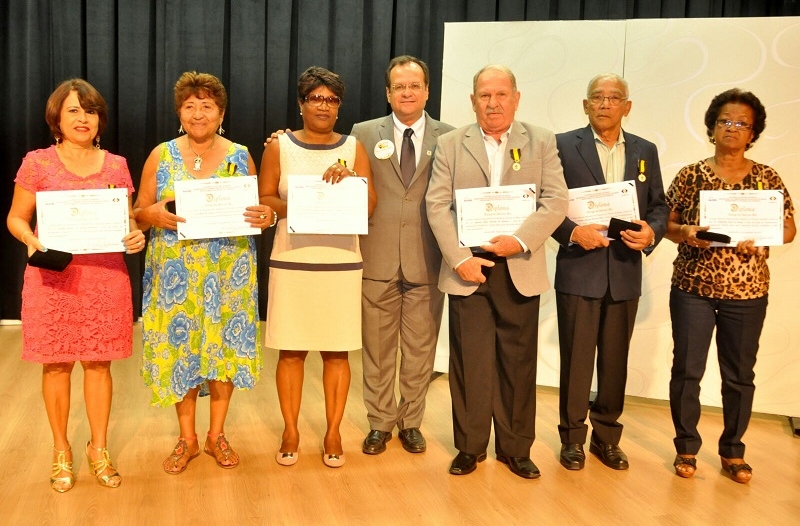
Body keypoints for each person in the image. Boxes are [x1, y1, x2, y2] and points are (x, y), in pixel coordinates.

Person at [426, 65, 568, 479]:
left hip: (519, 265)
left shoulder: (540, 140)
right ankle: (470, 447)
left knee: (518, 362)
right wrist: (459, 259)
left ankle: (515, 448)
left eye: (501, 94)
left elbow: (555, 200)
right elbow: (437, 205)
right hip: (469, 268)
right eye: (485, 95)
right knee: (470, 363)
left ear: (516, 98)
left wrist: (520, 241)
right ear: (473, 101)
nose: (493, 103)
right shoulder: (452, 143)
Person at [6, 79, 146, 492]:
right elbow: (15, 217)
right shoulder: (37, 162)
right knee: (56, 365)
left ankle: (98, 449)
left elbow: (129, 219)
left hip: (105, 278)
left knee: (100, 364)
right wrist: (30, 238)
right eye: (73, 110)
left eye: (89, 111)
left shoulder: (117, 164)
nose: (82, 118)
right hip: (52, 279)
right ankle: (61, 450)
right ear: (57, 119)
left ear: (99, 119)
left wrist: (135, 234)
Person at [134, 71, 268, 474]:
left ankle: (216, 435)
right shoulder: (161, 155)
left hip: (229, 270)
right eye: (190, 106)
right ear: (179, 112)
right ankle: (187, 439)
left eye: (207, 106)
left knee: (223, 349)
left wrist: (263, 215)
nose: (198, 113)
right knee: (182, 350)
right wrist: (151, 215)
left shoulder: (240, 154)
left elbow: (254, 211)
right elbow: (138, 214)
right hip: (174, 273)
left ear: (220, 112)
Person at [664, 88, 795, 484]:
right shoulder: (690, 174)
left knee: (739, 375)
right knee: (688, 370)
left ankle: (733, 452)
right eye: (725, 121)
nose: (732, 129)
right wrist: (685, 232)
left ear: (753, 133)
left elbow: (788, 229)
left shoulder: (767, 177)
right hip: (692, 288)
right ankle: (686, 447)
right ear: (712, 127)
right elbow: (665, 225)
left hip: (748, 292)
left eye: (742, 124)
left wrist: (764, 233)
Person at [551, 74, 668, 471]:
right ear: (585, 105)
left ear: (627, 106)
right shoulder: (563, 145)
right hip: (578, 271)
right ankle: (571, 439)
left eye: (614, 97)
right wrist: (572, 233)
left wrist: (652, 231)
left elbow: (659, 206)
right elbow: (548, 205)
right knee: (577, 361)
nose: (605, 104)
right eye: (597, 98)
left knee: (615, 362)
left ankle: (606, 438)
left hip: (623, 272)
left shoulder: (644, 150)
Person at [261, 66, 376, 468]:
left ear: (339, 107)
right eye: (315, 98)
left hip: (341, 261)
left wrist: (351, 183)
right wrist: (304, 208)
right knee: (291, 351)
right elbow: (265, 199)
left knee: (336, 351)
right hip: (293, 259)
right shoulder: (279, 146)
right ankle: (290, 429)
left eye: (330, 99)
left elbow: (371, 204)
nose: (322, 105)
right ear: (301, 103)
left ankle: (332, 431)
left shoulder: (354, 148)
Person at [349, 55, 454, 456]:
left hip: (428, 257)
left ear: (427, 91)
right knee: (376, 349)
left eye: (414, 86)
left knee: (420, 349)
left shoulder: (450, 137)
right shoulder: (361, 132)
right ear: (388, 93)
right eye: (399, 87)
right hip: (376, 257)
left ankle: (411, 422)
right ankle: (379, 423)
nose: (407, 93)